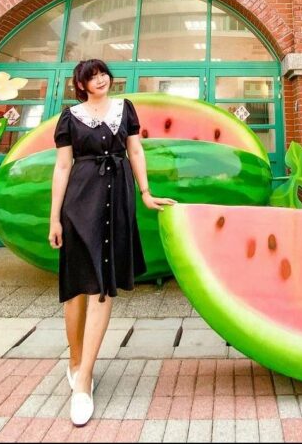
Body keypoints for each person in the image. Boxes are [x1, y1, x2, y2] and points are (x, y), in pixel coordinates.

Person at [49, 59, 174, 427]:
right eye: (92, 76)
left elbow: (135, 151)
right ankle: (75, 362)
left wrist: (147, 194)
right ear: (81, 84)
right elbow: (62, 167)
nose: (100, 79)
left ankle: (84, 378)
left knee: (102, 286)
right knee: (76, 288)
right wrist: (54, 217)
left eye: (103, 73)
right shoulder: (69, 117)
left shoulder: (125, 109)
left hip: (117, 197)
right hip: (80, 200)